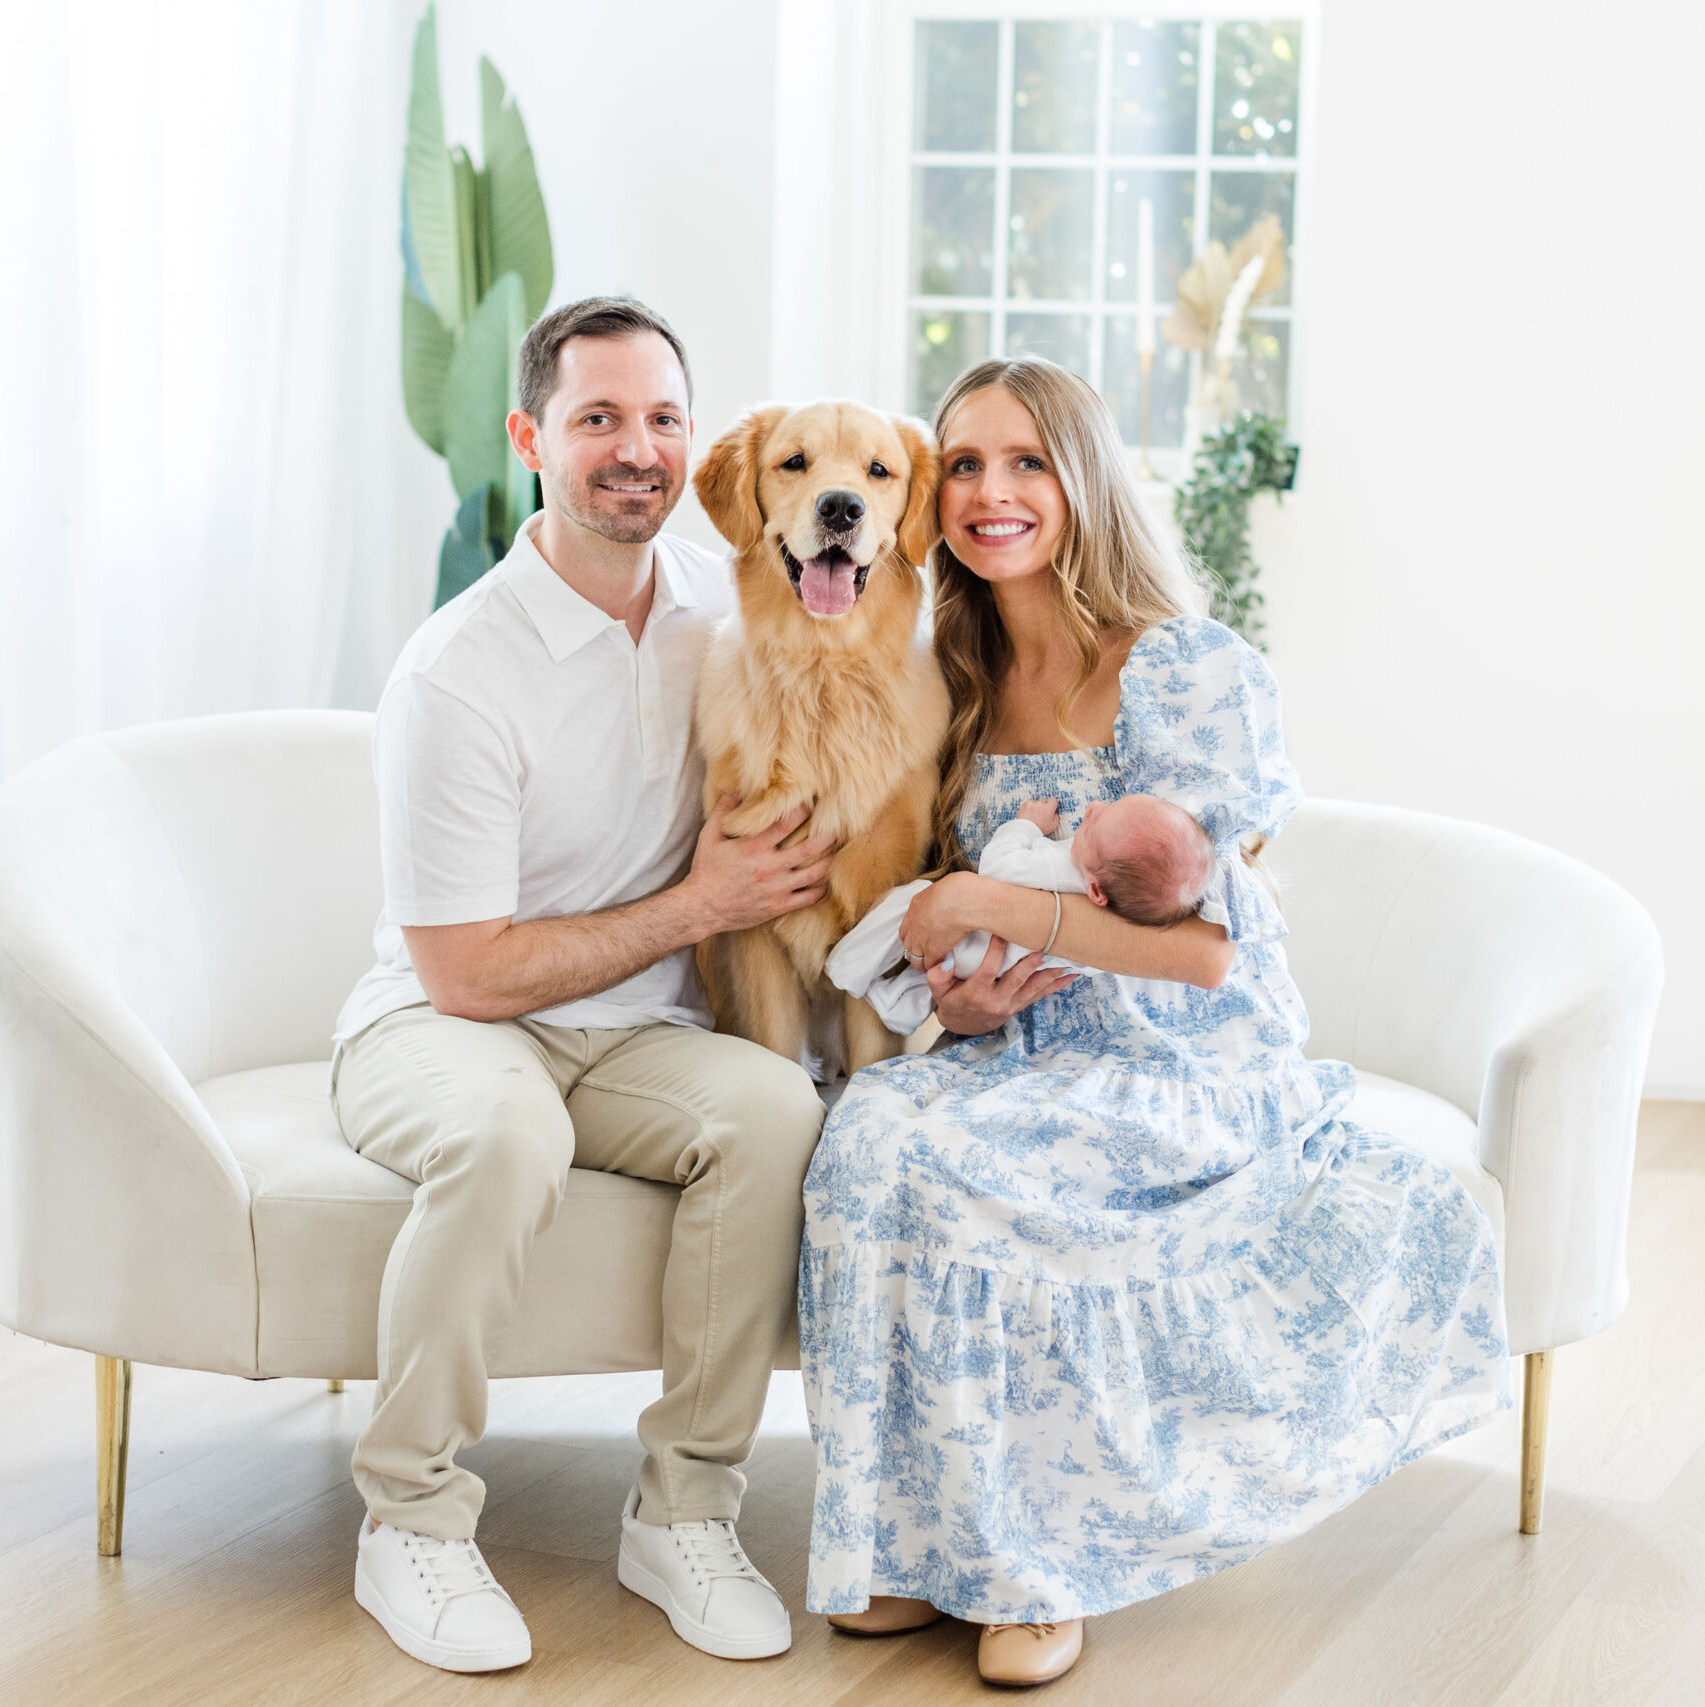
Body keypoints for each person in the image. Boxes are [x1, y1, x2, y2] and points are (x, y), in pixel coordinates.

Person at [796, 358, 1510, 1688]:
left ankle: (1034, 1561)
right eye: (962, 464)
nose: (991, 492)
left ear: (1085, 481)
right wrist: (956, 984)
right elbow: (967, 931)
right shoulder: (952, 673)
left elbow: (1197, 950)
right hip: (1022, 1043)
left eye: (1027, 462)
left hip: (1190, 1062)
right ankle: (904, 1540)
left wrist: (987, 895)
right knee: (872, 1134)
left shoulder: (1186, 665)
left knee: (975, 1175)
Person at [332, 297, 832, 1674]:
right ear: (529, 435)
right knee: (507, 1127)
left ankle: (684, 1511)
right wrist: (699, 905)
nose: (637, 448)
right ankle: (412, 1519)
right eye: (598, 417)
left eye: (663, 418)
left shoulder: (719, 616)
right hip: (442, 1023)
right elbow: (468, 966)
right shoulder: (458, 670)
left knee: (777, 1105)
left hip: (631, 1031)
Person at [826, 792, 1211, 1032]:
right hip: (1001, 974)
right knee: (934, 978)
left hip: (976, 942)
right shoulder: (1119, 915)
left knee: (910, 899)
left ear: (1095, 890)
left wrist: (1025, 825)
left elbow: (998, 865)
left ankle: (847, 967)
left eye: (1093, 827)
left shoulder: (1059, 868)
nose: (1092, 809)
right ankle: (899, 1007)